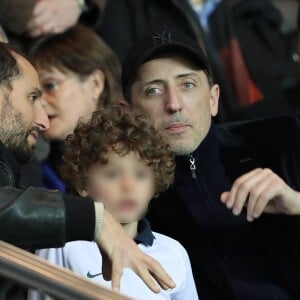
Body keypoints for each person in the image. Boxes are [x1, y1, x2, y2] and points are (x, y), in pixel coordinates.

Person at [121, 30, 300, 299]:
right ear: (129, 113)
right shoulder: (124, 190)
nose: (174, 104)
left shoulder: (278, 140)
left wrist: (297, 203)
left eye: (188, 85)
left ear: (213, 99)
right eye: (154, 90)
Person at [0, 41, 175, 299]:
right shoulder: (67, 242)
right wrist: (95, 219)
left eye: (140, 173)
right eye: (33, 97)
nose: (43, 119)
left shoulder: (174, 253)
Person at [29, 106, 198, 300]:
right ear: (83, 184)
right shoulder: (63, 245)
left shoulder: (174, 253)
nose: (128, 186)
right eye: (112, 174)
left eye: (140, 175)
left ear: (155, 185)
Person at [26, 24, 122, 190]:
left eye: (50, 86)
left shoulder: (143, 157)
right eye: (34, 94)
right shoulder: (36, 180)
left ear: (95, 84)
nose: (39, 102)